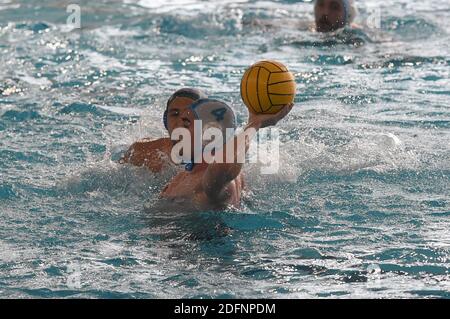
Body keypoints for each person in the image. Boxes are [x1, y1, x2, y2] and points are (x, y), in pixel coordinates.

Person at [160, 99, 293, 211]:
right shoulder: (189, 173)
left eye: (186, 124)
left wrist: (254, 123)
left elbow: (223, 165)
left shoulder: (208, 179)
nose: (178, 129)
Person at [120, 88, 207, 172]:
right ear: (166, 121)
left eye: (191, 114)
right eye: (175, 114)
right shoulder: (143, 152)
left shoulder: (213, 160)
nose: (180, 123)